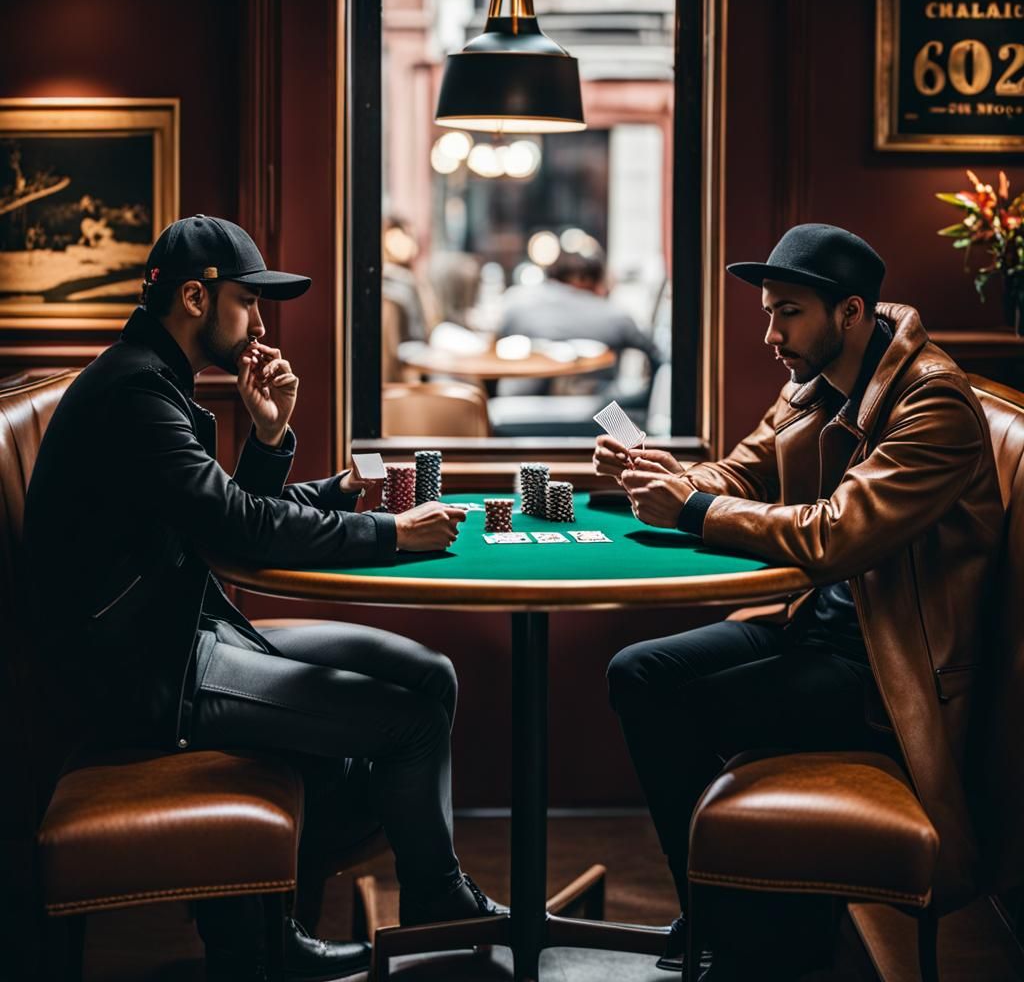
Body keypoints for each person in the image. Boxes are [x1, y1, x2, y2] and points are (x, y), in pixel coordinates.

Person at [22, 214, 506, 981]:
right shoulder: (136, 393)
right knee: (410, 724)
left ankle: (289, 923)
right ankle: (411, 910)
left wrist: (280, 445)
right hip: (145, 677)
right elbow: (240, 529)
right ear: (195, 297)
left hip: (183, 636)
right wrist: (390, 533)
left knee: (429, 675)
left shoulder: (150, 379)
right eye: (248, 302)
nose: (259, 324)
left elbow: (221, 522)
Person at [593, 223, 1003, 976]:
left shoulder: (933, 404)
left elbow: (835, 535)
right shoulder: (815, 379)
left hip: (885, 673)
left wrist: (691, 509)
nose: (770, 335)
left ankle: (744, 933)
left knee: (677, 706)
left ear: (850, 312)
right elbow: (741, 474)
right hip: (813, 625)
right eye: (768, 312)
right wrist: (663, 475)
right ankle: (722, 915)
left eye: (787, 313)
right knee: (637, 672)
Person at [497, 247, 662, 398]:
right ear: (583, 280)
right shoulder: (614, 316)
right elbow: (656, 353)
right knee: (618, 407)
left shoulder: (515, 302)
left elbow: (497, 342)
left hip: (516, 404)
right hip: (596, 408)